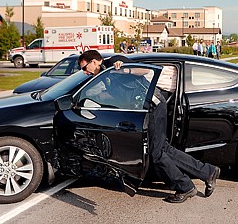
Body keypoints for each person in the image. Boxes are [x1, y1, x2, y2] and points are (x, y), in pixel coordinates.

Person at [78, 50, 221, 202]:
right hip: (146, 109)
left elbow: (144, 71)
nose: (84, 72)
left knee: (156, 153)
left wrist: (127, 68)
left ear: (94, 62)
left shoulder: (114, 62)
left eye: (84, 68)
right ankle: (208, 172)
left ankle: (185, 187)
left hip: (153, 105)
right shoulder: (105, 76)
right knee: (164, 149)